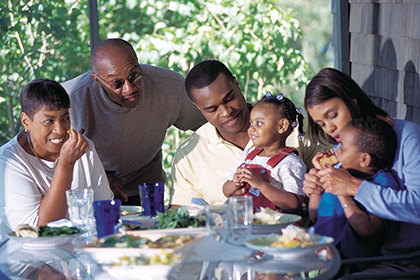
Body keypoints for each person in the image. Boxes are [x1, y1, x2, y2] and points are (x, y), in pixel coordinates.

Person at [303, 68, 420, 275]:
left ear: (352, 100)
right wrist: (316, 186)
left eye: (333, 115)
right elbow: (322, 212)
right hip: (342, 254)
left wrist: (353, 186)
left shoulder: (408, 136)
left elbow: (417, 206)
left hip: (398, 260)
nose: (329, 128)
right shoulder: (341, 150)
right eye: (321, 124)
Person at [61, 38, 207, 205]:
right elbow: (49, 156)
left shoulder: (169, 86)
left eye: (134, 76)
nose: (129, 88)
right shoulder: (70, 99)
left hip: (147, 189)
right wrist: (100, 176)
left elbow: (211, 128)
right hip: (92, 193)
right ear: (97, 81)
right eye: (117, 83)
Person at [170, 60, 328, 206]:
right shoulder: (189, 155)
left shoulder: (297, 126)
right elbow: (182, 219)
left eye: (229, 99)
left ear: (236, 84)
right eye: (212, 109)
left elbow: (341, 170)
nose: (226, 112)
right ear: (198, 107)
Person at [0, 79, 113, 239]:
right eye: (49, 121)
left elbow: (105, 209)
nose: (60, 129)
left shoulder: (82, 147)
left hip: (79, 253)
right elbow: (41, 232)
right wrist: (66, 164)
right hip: (27, 260)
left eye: (65, 118)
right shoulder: (9, 161)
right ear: (26, 121)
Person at [309, 117, 399, 264]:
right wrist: (318, 186)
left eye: (342, 149)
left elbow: (367, 230)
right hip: (317, 248)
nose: (336, 153)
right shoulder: (342, 172)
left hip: (347, 261)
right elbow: (315, 217)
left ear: (364, 160)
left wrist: (342, 191)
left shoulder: (384, 184)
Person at [223, 93, 306, 213]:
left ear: (282, 126)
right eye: (251, 123)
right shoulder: (248, 155)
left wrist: (261, 185)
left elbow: (294, 203)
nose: (251, 128)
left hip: (274, 227)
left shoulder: (290, 162)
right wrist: (234, 184)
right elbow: (226, 191)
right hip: (246, 222)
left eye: (259, 123)